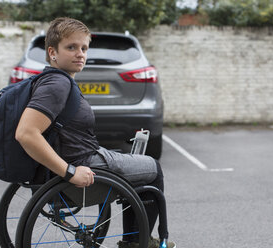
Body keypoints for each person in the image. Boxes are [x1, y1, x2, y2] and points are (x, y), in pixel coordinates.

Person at [15, 17, 175, 248]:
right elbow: (26, 133)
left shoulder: (51, 80)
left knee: (134, 164)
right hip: (81, 165)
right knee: (152, 169)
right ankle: (136, 242)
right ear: (52, 52)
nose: (80, 53)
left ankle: (134, 238)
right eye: (71, 47)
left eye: (84, 48)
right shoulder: (57, 85)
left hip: (77, 159)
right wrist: (69, 172)